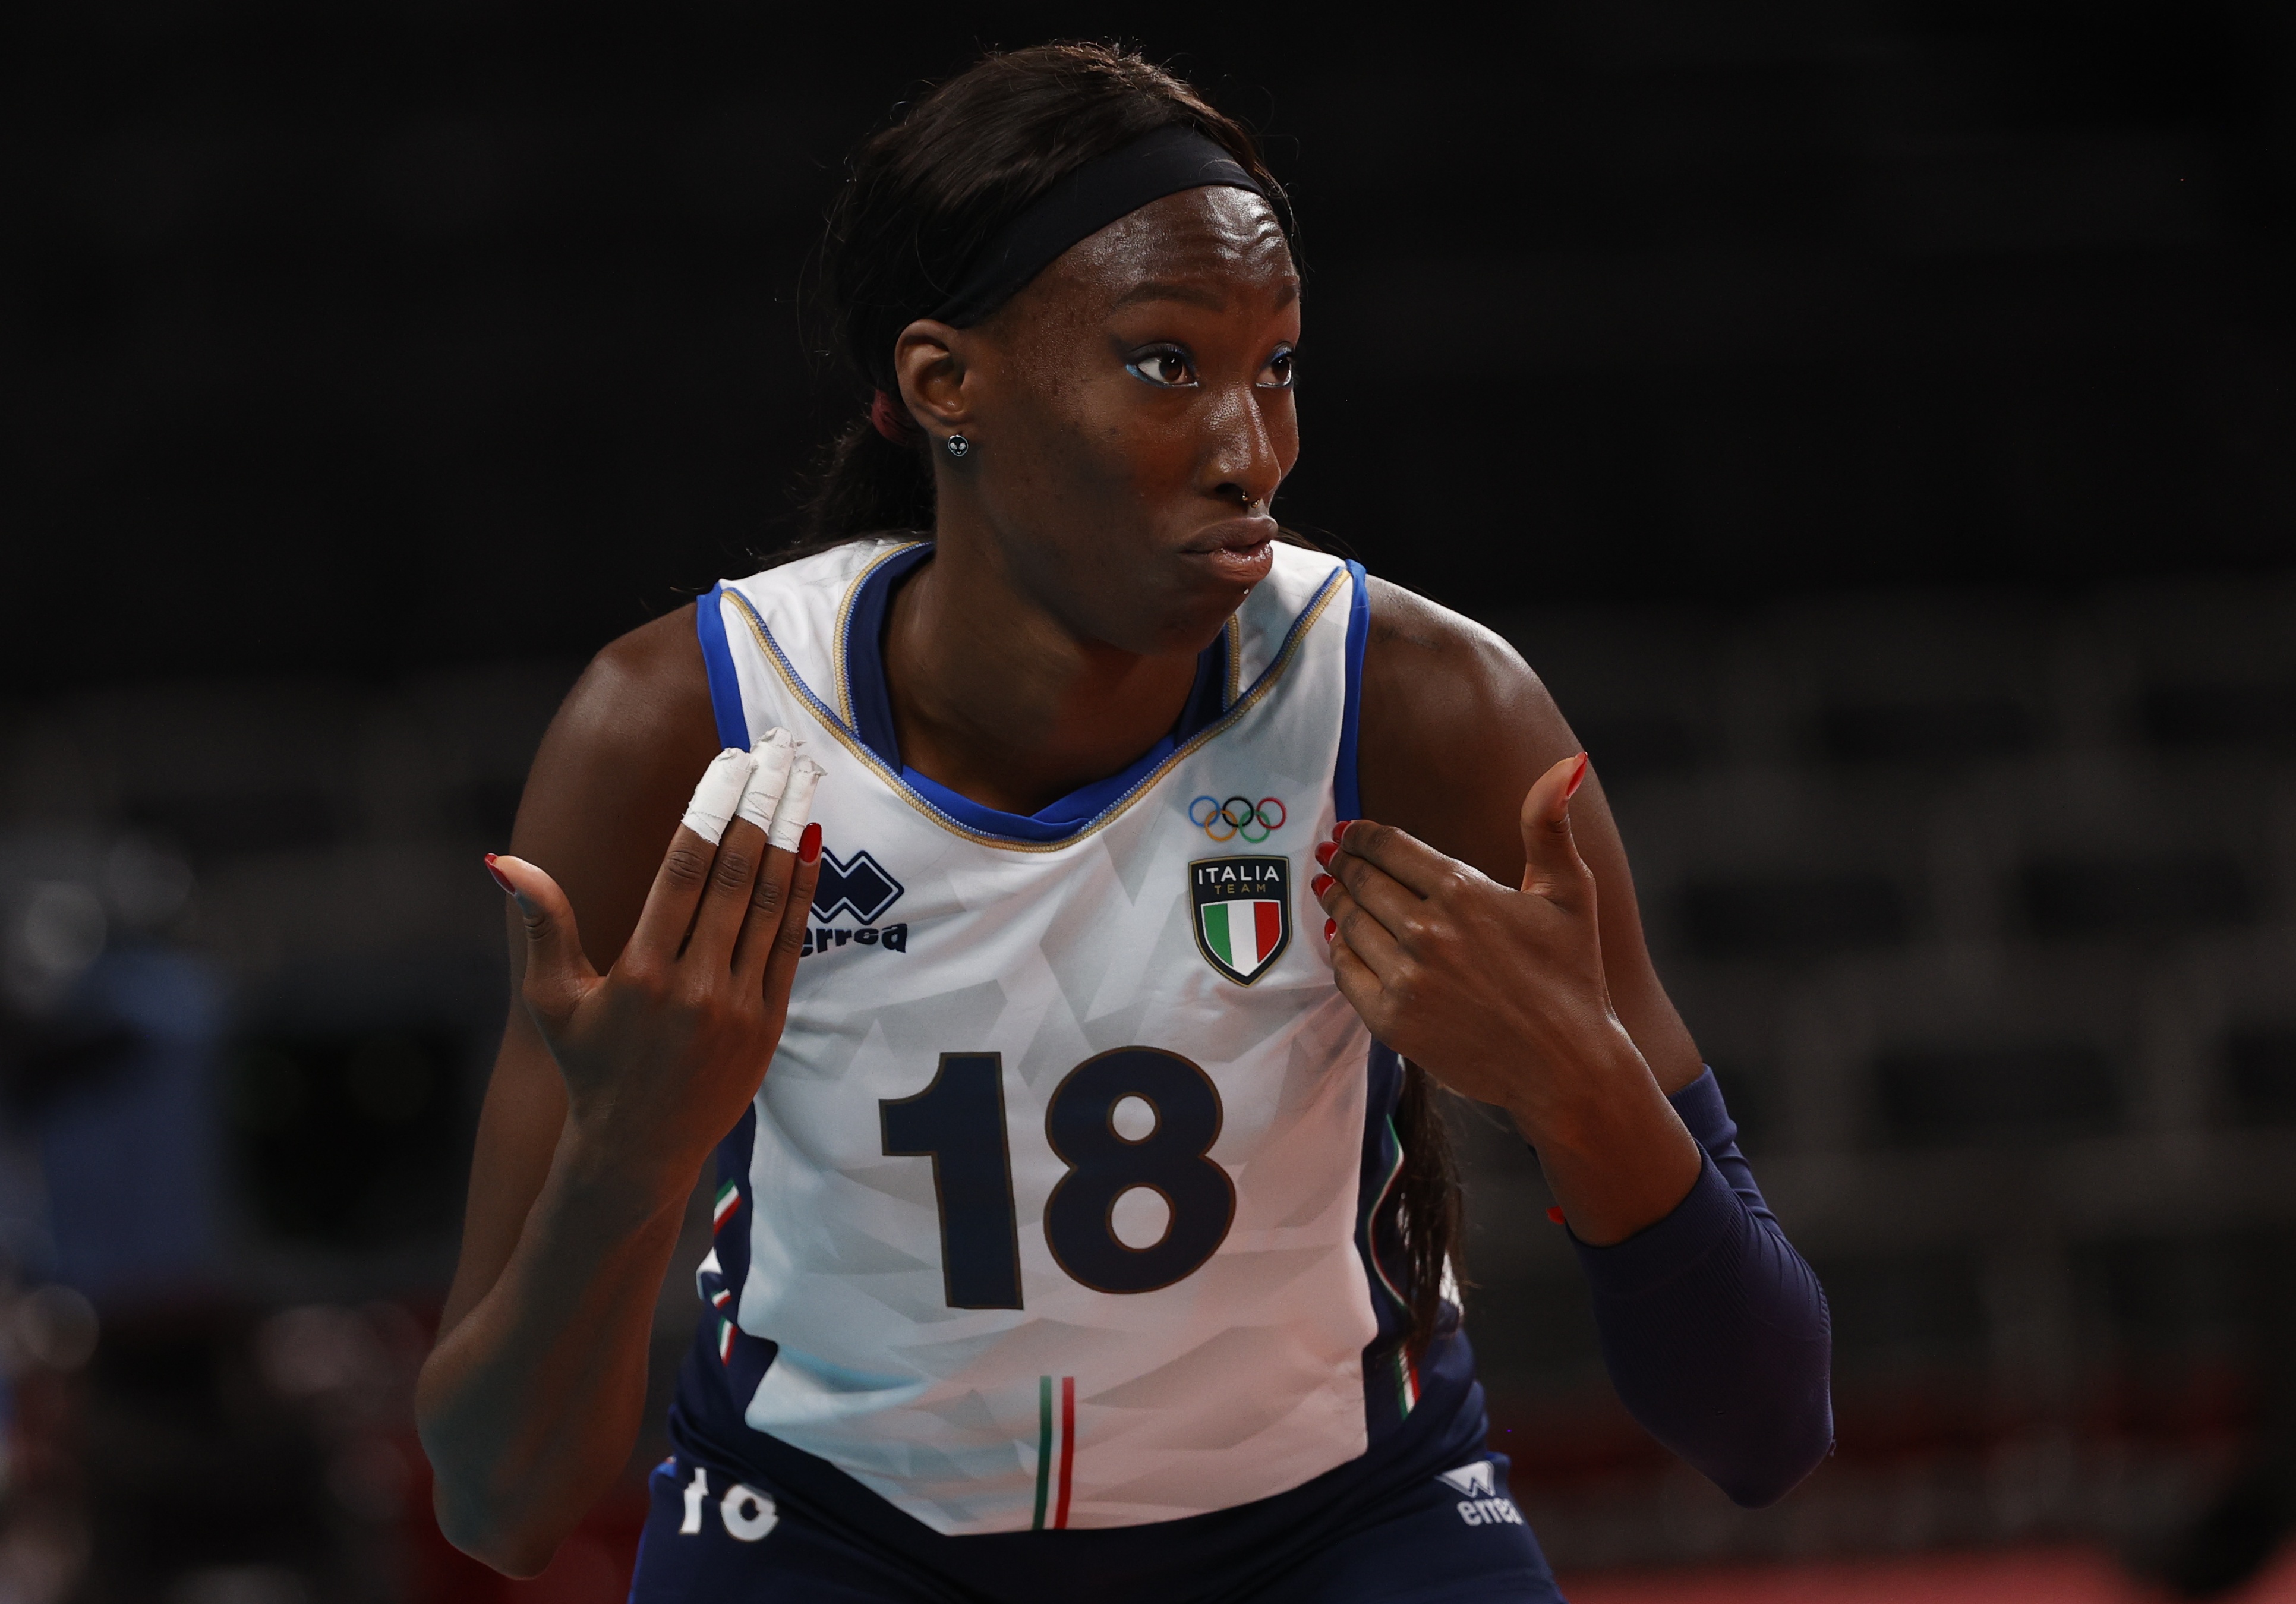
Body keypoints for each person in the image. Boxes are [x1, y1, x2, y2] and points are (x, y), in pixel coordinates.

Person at [414, 43, 1833, 1602]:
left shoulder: (1425, 709)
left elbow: (1766, 1425)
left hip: (1338, 1524)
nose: (1254, 450)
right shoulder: (686, 732)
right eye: (1169, 362)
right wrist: (629, 1157)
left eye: (1277, 364)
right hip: (831, 1531)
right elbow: (498, 1499)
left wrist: (1586, 1094)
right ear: (948, 384)